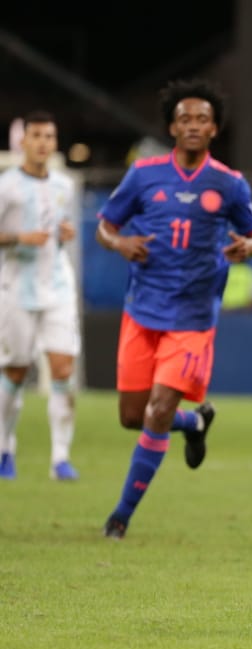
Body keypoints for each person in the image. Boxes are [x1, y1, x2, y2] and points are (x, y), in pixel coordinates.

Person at [95, 78, 252, 539]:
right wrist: (121, 242)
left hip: (192, 319)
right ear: (173, 127)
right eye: (185, 118)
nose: (194, 126)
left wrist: (250, 248)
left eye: (203, 119)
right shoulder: (143, 175)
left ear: (215, 129)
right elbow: (105, 227)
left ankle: (121, 516)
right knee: (132, 417)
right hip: (141, 311)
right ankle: (193, 422)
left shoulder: (229, 184)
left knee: (155, 412)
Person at [0, 111, 81, 482]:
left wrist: (66, 234)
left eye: (49, 136)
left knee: (63, 368)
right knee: (15, 370)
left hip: (58, 287)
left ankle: (60, 458)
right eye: (36, 135)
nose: (43, 143)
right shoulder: (6, 186)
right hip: (15, 287)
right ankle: (5, 448)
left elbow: (64, 229)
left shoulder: (65, 185)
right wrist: (18, 237)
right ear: (23, 141)